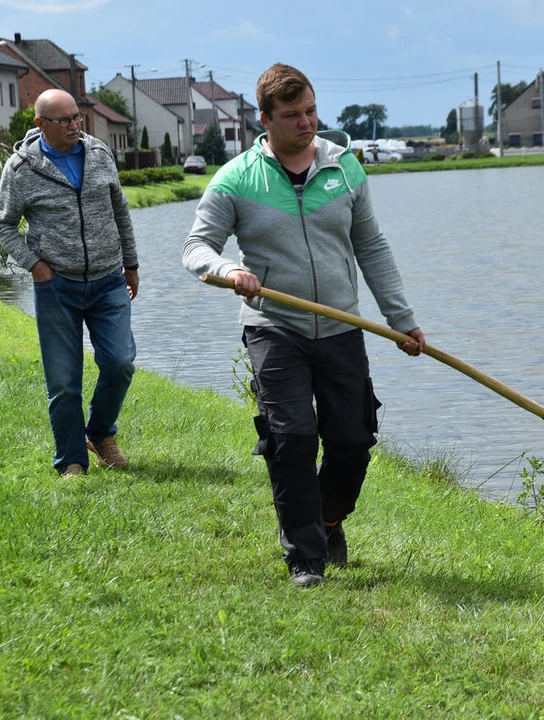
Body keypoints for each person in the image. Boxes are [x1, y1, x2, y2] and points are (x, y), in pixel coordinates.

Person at [183, 63, 425, 586]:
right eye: (292, 115)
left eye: (311, 111)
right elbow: (195, 248)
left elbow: (372, 247)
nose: (306, 123)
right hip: (274, 326)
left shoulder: (344, 169)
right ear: (264, 121)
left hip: (341, 326)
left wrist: (401, 319)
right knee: (291, 436)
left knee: (354, 439)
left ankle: (329, 518)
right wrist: (230, 270)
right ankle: (305, 557)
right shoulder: (236, 178)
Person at [0, 89, 140, 477]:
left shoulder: (99, 154)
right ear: (41, 124)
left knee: (120, 362)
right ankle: (72, 460)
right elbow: (2, 223)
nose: (76, 125)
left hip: (108, 280)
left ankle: (101, 433)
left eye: (78, 118)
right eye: (66, 120)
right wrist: (35, 265)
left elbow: (119, 210)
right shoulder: (21, 169)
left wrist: (132, 263)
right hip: (57, 286)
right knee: (63, 380)